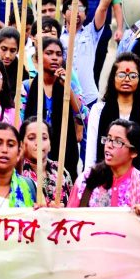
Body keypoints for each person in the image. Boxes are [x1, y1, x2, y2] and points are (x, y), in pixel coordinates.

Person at [68, 119, 140, 214]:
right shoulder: (86, 179)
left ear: (134, 152)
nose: (109, 145)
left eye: (118, 142)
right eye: (108, 139)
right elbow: (69, 220)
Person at [85, 52, 140, 170]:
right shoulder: (98, 110)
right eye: (122, 75)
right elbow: (91, 153)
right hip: (103, 179)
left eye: (133, 76)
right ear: (113, 78)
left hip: (135, 181)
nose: (127, 79)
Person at [24, 37, 83, 181]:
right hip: (37, 146)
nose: (54, 58)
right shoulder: (29, 85)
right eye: (49, 53)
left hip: (62, 148)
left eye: (58, 54)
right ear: (38, 58)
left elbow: (79, 111)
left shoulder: (67, 83)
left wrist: (66, 85)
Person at [19, 116, 72, 205]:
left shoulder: (60, 171)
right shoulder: (18, 171)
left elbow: (73, 206)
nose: (38, 142)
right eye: (32, 138)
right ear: (21, 144)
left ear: (50, 144)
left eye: (44, 138)